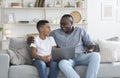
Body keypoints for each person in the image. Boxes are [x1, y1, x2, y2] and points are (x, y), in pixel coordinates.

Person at [28, 14, 100, 78]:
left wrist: (90, 50)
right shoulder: (55, 33)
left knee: (96, 56)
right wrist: (30, 38)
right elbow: (42, 36)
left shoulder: (81, 31)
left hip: (81, 56)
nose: (62, 26)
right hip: (67, 60)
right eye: (61, 24)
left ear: (71, 23)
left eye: (65, 24)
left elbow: (91, 44)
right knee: (62, 64)